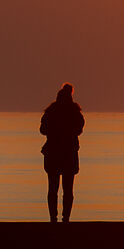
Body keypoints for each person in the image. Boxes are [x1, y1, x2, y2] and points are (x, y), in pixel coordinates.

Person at [39, 84, 84, 222]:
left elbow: (43, 130)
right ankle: (66, 218)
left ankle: (53, 218)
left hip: (53, 153)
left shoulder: (51, 111)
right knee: (68, 189)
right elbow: (79, 129)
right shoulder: (75, 112)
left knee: (53, 188)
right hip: (69, 153)